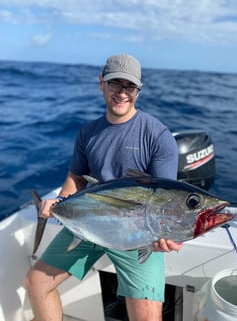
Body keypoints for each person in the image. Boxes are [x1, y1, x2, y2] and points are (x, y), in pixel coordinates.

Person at [25, 54, 183, 321]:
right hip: (89, 224)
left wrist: (164, 237)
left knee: (146, 317)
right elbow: (77, 176)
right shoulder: (89, 132)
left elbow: (165, 199)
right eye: (114, 84)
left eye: (129, 87)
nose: (122, 93)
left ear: (139, 90)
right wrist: (61, 201)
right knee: (35, 284)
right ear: (101, 83)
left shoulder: (157, 136)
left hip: (138, 235)